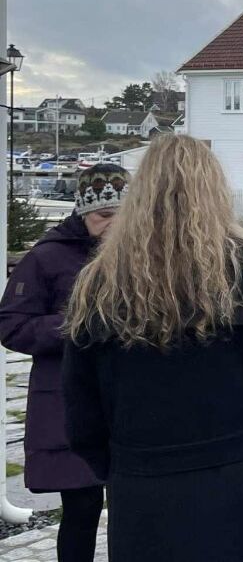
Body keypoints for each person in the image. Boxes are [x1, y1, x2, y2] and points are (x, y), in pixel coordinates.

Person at [60, 135, 243, 562]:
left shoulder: (98, 286)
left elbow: (81, 414)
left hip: (148, 491)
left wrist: (125, 469)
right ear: (215, 192)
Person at [0, 164, 127, 562]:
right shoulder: (46, 257)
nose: (114, 224)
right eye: (104, 215)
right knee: (82, 507)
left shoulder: (141, 253)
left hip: (129, 402)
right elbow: (12, 326)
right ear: (82, 211)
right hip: (69, 401)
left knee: (133, 508)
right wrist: (78, 323)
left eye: (123, 215)